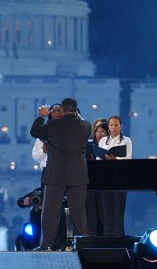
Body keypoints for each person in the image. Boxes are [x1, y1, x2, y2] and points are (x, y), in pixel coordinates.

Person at [30, 97, 92, 251]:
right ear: (76, 110)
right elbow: (80, 122)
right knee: (79, 213)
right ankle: (83, 246)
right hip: (78, 176)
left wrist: (41, 115)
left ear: (63, 110)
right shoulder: (85, 126)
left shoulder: (52, 125)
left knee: (50, 213)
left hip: (56, 176)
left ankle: (46, 245)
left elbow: (35, 131)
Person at [98, 115, 132, 236]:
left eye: (116, 125)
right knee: (107, 211)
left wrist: (115, 158)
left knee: (118, 211)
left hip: (120, 178)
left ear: (121, 126)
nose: (113, 127)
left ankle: (119, 237)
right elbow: (98, 156)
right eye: (111, 125)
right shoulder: (103, 141)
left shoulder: (126, 140)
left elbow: (128, 158)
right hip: (106, 178)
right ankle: (107, 238)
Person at [86, 122, 108, 236]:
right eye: (97, 132)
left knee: (104, 214)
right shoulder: (89, 146)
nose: (99, 134)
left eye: (103, 132)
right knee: (92, 214)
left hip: (105, 184)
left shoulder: (110, 146)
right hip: (90, 183)